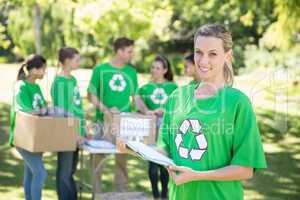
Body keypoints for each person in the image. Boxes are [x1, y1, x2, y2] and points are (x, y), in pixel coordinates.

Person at [156, 23, 267, 200]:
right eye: (198, 52)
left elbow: (245, 169)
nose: (203, 60)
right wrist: (134, 149)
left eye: (212, 54)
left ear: (227, 56)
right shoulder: (177, 97)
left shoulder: (237, 102)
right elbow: (164, 147)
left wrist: (197, 175)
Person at [87, 37, 144, 192]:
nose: (131, 55)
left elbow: (136, 97)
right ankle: (96, 194)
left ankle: (121, 194)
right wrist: (105, 109)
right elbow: (91, 95)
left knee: (122, 162)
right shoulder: (100, 70)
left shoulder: (131, 72)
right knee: (97, 160)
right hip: (102, 123)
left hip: (124, 125)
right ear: (119, 51)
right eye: (129, 51)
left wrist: (146, 111)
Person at [138, 55, 177, 200]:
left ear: (165, 70)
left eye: (158, 68)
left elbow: (178, 107)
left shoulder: (173, 87)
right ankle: (155, 195)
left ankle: (165, 195)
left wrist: (166, 111)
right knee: (152, 165)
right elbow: (138, 103)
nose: (154, 70)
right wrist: (146, 111)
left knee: (164, 165)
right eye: (152, 67)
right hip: (151, 128)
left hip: (167, 128)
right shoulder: (145, 87)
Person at [9, 54, 48, 200]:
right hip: (23, 137)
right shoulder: (21, 86)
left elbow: (43, 108)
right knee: (40, 173)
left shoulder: (36, 87)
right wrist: (42, 111)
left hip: (36, 137)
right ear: (34, 70)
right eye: (43, 69)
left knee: (31, 172)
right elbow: (23, 111)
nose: (45, 72)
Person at [51, 47, 85, 200]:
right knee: (64, 172)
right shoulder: (60, 82)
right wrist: (75, 134)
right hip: (67, 132)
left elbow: (77, 108)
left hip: (77, 131)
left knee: (70, 171)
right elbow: (65, 112)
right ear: (67, 61)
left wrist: (82, 131)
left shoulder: (72, 79)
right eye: (77, 60)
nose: (79, 62)